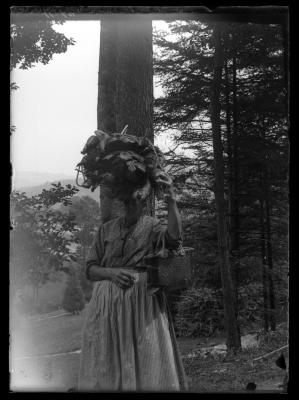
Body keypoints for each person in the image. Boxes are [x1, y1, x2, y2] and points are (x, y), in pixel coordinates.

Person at [78, 171, 188, 392]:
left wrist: (171, 200)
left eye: (133, 201)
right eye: (125, 201)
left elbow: (174, 239)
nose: (129, 206)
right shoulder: (107, 229)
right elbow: (90, 269)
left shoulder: (152, 226)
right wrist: (111, 273)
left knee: (147, 355)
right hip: (106, 308)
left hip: (142, 305)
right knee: (107, 361)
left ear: (142, 200)